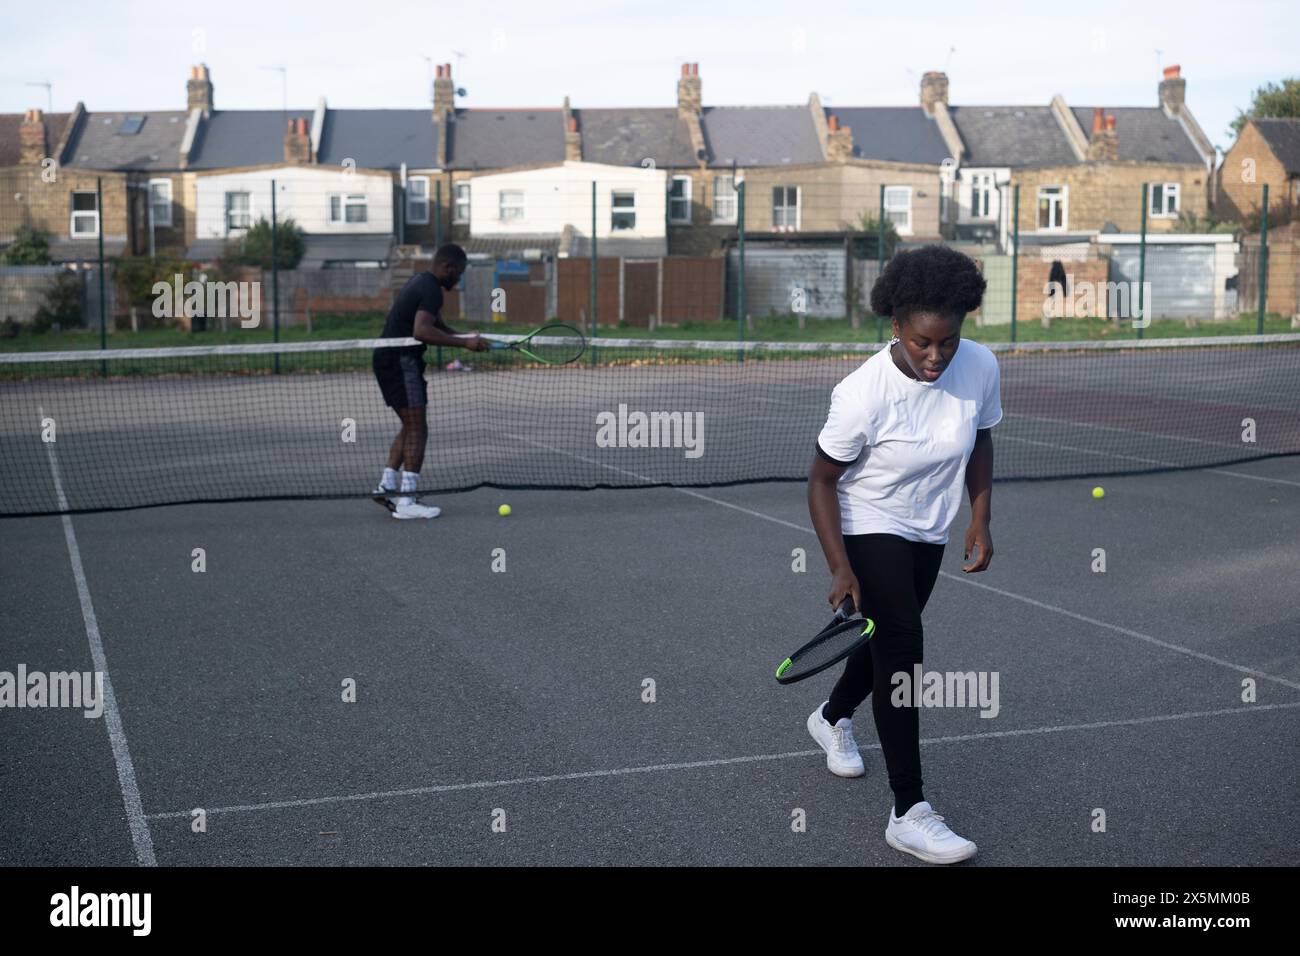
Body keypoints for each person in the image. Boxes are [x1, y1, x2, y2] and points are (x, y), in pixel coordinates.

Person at [805, 245, 1001, 864]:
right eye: (922, 343)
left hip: (929, 527)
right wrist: (840, 565)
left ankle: (833, 716)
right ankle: (909, 811)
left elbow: (982, 436)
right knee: (904, 648)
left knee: (887, 639)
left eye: (947, 341)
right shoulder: (862, 393)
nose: (936, 355)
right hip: (870, 521)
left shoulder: (980, 367)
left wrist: (980, 517)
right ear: (896, 326)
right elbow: (820, 481)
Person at [371, 243, 489, 519]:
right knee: (418, 429)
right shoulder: (432, 289)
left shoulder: (421, 282)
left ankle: (387, 486)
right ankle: (406, 501)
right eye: (458, 274)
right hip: (400, 362)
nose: (458, 280)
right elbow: (422, 331)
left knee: (410, 426)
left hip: (391, 361)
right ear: (447, 268)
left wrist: (465, 338)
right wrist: (465, 345)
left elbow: (437, 326)